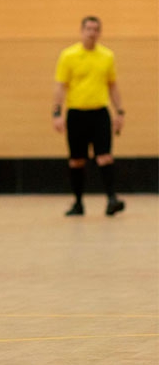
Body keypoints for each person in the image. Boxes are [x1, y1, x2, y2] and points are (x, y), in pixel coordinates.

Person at [52, 16, 126, 217]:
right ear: (81, 31)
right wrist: (57, 112)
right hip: (76, 113)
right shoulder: (68, 55)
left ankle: (111, 199)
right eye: (88, 29)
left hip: (99, 113)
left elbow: (113, 85)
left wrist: (119, 111)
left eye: (95, 29)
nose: (92, 33)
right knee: (76, 160)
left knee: (105, 156)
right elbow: (60, 85)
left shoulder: (107, 56)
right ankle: (78, 203)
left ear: (100, 32)